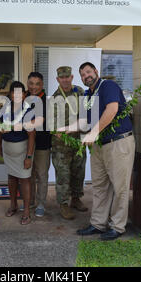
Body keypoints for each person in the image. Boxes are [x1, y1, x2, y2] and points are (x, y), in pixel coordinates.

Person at [76, 62, 135, 240]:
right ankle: (98, 224)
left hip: (118, 143)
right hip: (100, 145)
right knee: (99, 186)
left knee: (120, 187)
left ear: (95, 71)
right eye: (82, 74)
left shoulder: (108, 85)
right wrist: (64, 129)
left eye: (88, 72)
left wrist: (93, 134)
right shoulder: (88, 95)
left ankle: (117, 226)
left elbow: (112, 109)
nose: (86, 76)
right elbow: (85, 122)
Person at [50, 66, 88, 220]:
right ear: (58, 79)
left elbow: (87, 114)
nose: (65, 80)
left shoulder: (80, 92)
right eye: (62, 77)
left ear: (72, 77)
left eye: (67, 77)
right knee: (63, 175)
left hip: (78, 142)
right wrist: (61, 131)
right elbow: (51, 125)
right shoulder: (53, 98)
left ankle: (76, 199)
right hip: (61, 145)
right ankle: (64, 204)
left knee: (79, 172)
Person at [0, 81, 36, 225]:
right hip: (8, 149)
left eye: (21, 93)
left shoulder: (28, 111)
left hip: (22, 151)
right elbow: (1, 129)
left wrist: (29, 156)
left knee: (25, 179)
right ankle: (13, 205)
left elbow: (32, 135)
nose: (17, 95)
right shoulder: (5, 109)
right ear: (11, 94)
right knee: (11, 178)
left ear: (25, 94)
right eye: (14, 92)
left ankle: (26, 211)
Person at [26, 72, 51, 217]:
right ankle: (30, 202)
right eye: (31, 83)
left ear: (42, 85)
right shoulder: (24, 99)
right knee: (28, 175)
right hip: (26, 143)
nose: (34, 87)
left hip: (42, 144)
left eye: (37, 84)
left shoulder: (47, 102)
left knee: (41, 175)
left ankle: (41, 203)